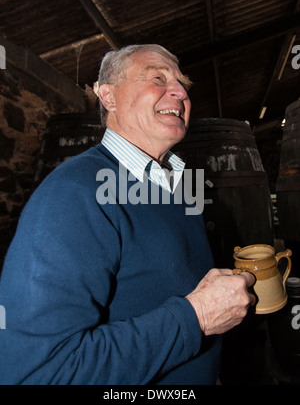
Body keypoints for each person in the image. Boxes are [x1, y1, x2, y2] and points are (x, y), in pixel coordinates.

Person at [0, 44, 255, 385]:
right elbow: (40, 372)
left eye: (182, 83)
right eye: (157, 78)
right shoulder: (73, 193)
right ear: (109, 97)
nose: (180, 92)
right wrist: (198, 317)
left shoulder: (179, 184)